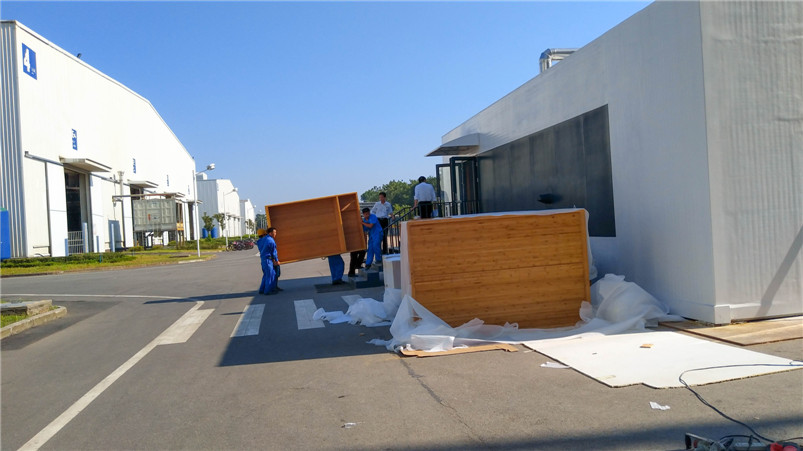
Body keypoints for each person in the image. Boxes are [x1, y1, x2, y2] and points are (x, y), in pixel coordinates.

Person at [256, 228, 275, 295]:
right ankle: (267, 291)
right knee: (269, 275)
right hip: (268, 260)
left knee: (266, 275)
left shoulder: (259, 241)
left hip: (263, 260)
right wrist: (275, 259)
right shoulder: (268, 240)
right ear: (264, 234)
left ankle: (262, 289)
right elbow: (273, 250)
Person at [265, 227, 281, 294]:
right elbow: (273, 252)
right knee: (271, 275)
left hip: (267, 259)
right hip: (269, 260)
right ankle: (268, 291)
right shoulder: (271, 241)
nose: (275, 234)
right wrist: (276, 261)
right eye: (274, 232)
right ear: (270, 233)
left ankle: (273, 288)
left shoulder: (265, 239)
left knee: (270, 275)